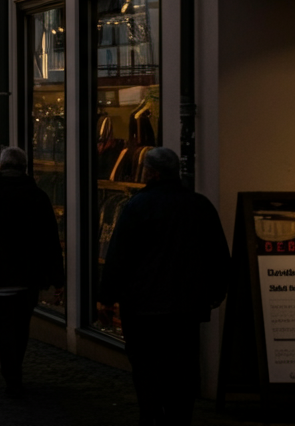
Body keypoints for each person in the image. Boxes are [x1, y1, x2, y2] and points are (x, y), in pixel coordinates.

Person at [99, 147, 228, 426]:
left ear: (152, 173)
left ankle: (152, 415)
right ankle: (179, 417)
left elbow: (119, 256)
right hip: (186, 307)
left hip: (143, 307)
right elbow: (217, 253)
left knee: (146, 369)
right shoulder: (199, 205)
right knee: (182, 369)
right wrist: (216, 291)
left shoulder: (137, 206)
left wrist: (107, 297)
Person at [0, 147, 65, 397]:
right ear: (24, 168)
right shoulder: (37, 196)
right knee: (21, 326)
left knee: (4, 327)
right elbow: (50, 239)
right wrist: (56, 276)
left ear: (1, 166)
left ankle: (11, 373)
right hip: (28, 274)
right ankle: (15, 368)